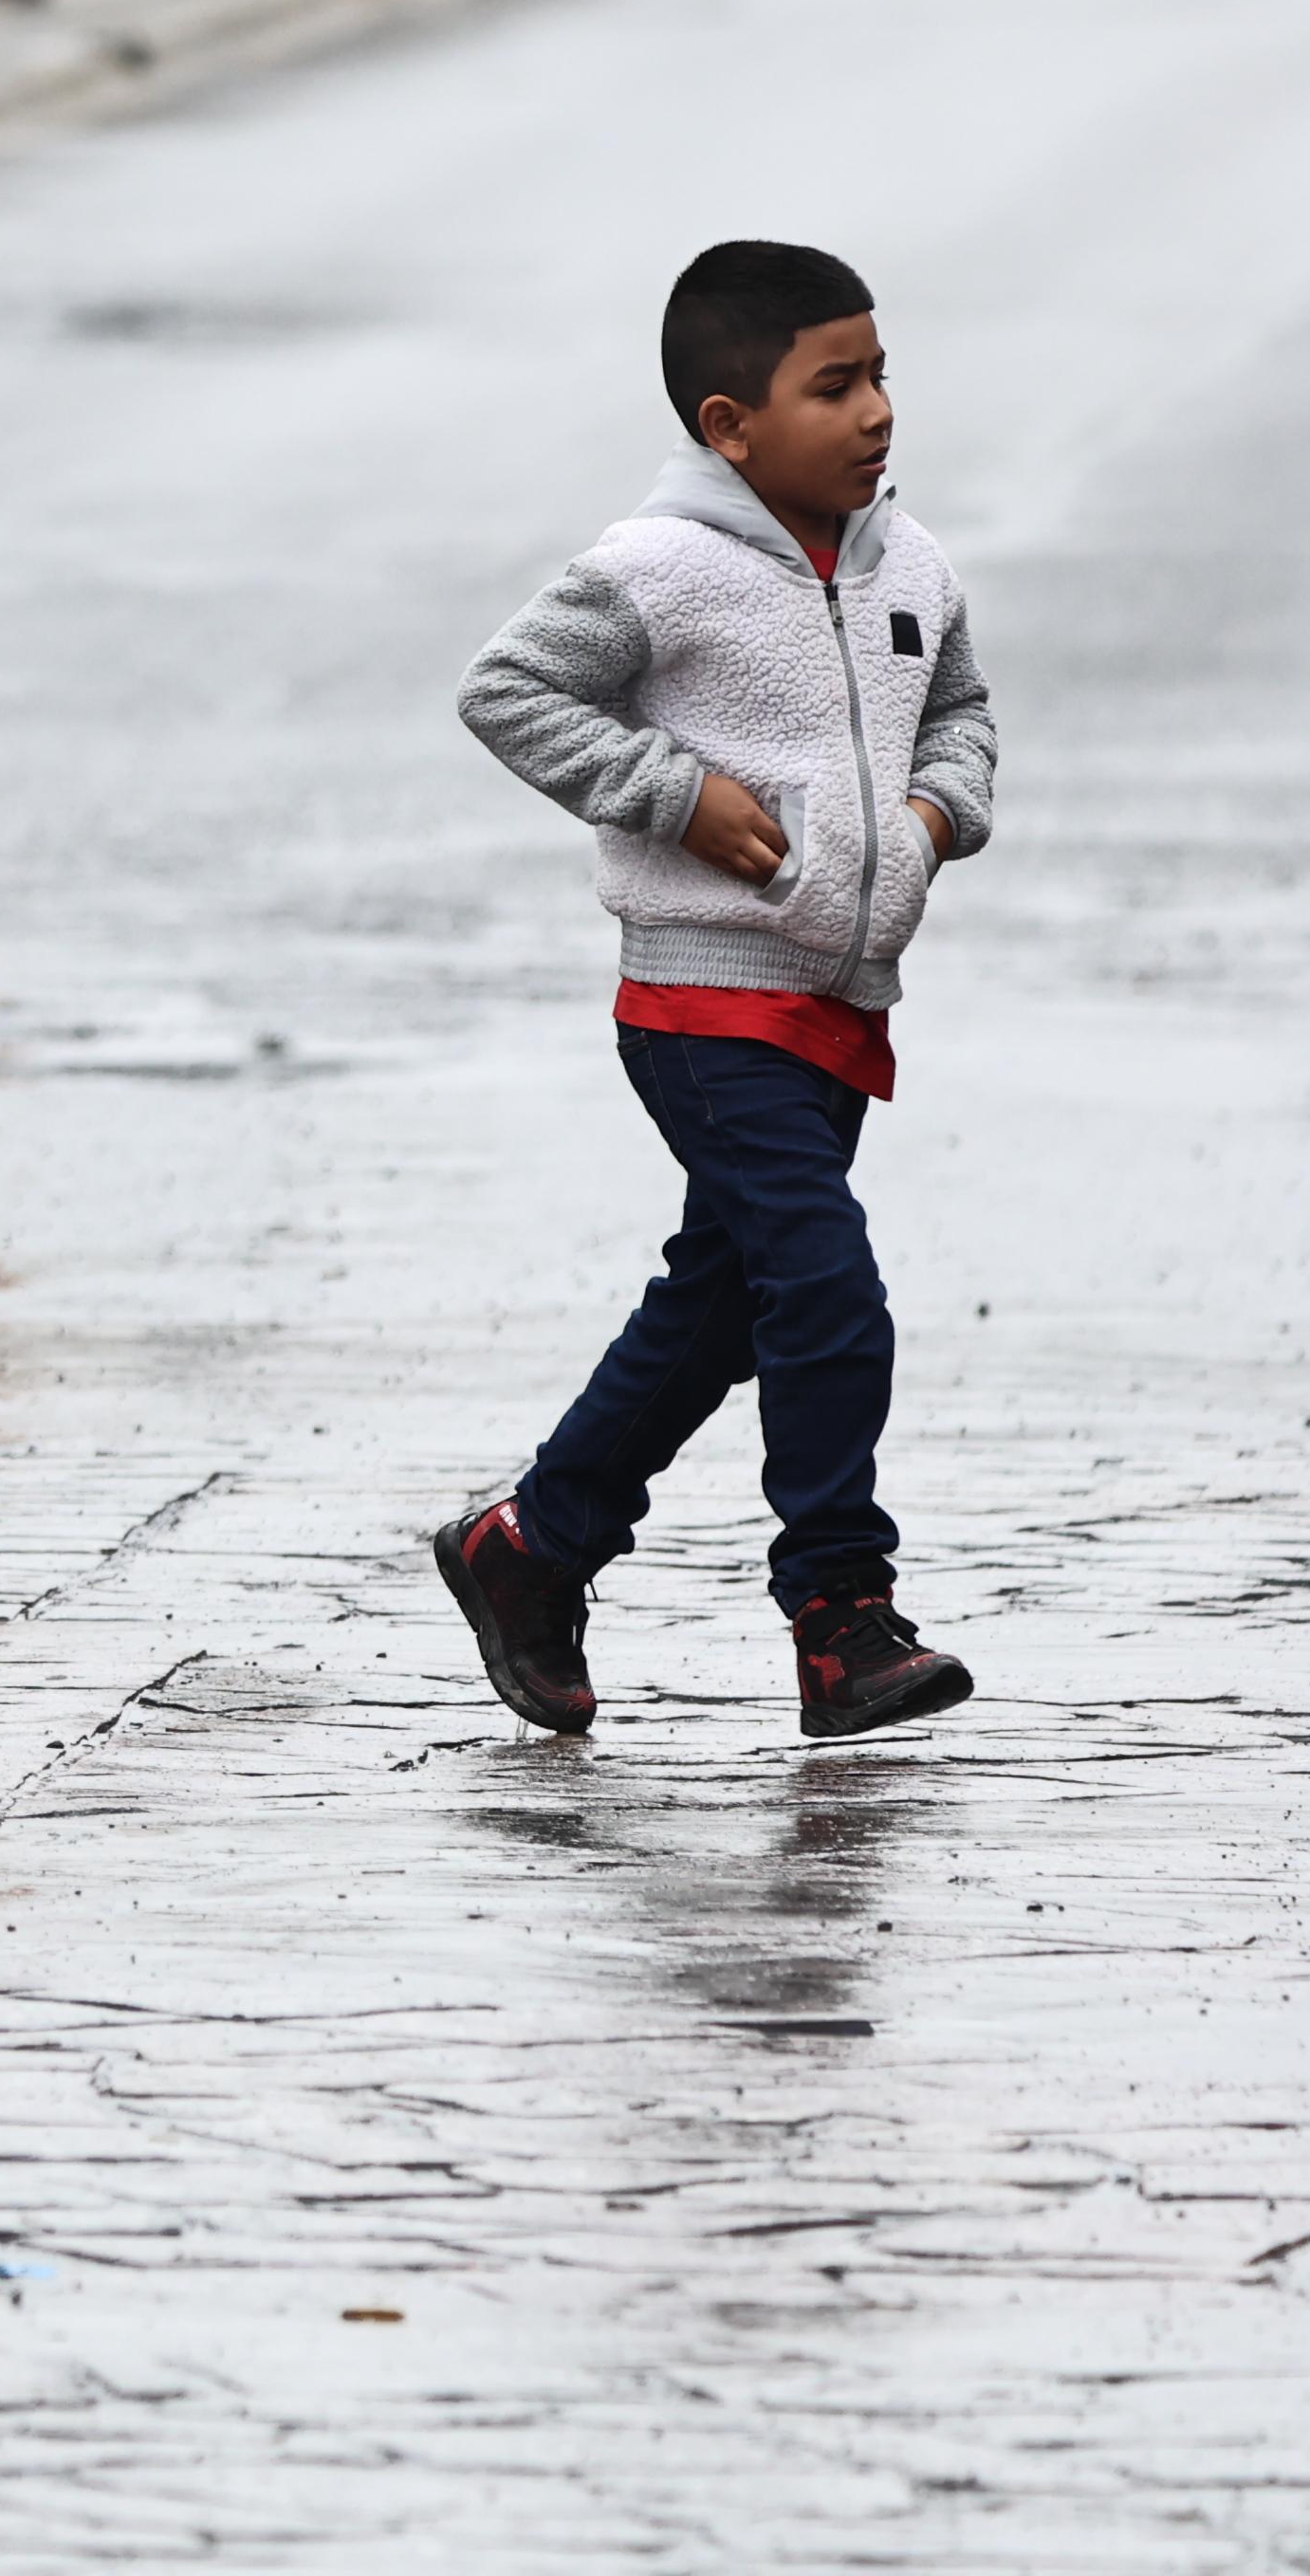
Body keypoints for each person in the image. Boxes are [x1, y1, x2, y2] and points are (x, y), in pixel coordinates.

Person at [432, 240, 994, 1744]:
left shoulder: (909, 564)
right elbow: (511, 690)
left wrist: (939, 817)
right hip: (700, 998)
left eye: (880, 374)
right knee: (825, 1291)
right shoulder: (659, 567)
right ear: (729, 424)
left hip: (840, 999)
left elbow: (960, 713)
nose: (876, 410)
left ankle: (532, 1547)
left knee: (727, 1302)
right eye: (835, 384)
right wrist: (676, 795)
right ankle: (841, 1614)